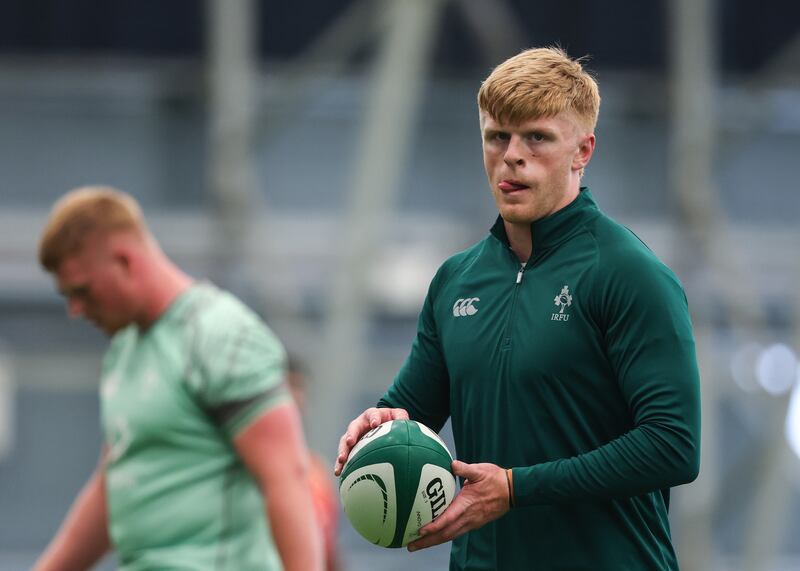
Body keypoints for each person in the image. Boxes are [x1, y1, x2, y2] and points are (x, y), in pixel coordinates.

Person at [334, 47, 701, 570]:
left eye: (537, 138)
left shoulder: (630, 274)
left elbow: (673, 445)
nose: (512, 156)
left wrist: (514, 487)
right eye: (496, 136)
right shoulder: (456, 280)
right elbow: (413, 410)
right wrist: (380, 424)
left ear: (582, 151)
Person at [33, 187, 324, 571]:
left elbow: (287, 477)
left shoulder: (221, 335)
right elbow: (116, 480)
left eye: (81, 290)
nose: (75, 309)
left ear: (124, 260)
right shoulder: (124, 350)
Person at [286, 356, 341, 571]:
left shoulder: (318, 472)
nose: (295, 397)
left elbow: (328, 551)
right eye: (286, 387)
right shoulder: (245, 472)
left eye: (298, 386)